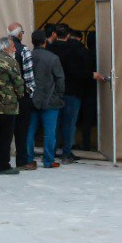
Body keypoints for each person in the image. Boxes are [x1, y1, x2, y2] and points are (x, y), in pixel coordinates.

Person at [26, 29, 65, 169]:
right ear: (44, 42)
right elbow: (60, 79)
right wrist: (60, 94)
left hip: (31, 99)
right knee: (50, 132)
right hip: (50, 99)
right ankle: (48, 160)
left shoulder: (27, 57)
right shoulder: (53, 58)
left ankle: (29, 159)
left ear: (32, 41)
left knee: (29, 131)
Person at [0, 37, 24, 174]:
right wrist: (20, 96)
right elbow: (18, 83)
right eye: (13, 47)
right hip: (8, 106)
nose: (14, 49)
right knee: (5, 137)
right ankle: (3, 165)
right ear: (6, 48)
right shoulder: (11, 62)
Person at [50, 24, 81, 162]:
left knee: (54, 123)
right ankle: (66, 153)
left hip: (53, 91)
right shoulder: (74, 49)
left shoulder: (49, 49)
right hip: (70, 90)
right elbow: (77, 71)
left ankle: (52, 151)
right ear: (68, 35)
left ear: (55, 34)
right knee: (69, 123)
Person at [8, 22, 36, 170]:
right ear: (20, 34)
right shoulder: (24, 50)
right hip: (21, 96)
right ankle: (22, 161)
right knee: (22, 129)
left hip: (5, 97)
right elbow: (29, 76)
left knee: (4, 129)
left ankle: (1, 161)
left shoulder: (0, 48)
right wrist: (30, 92)